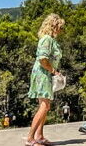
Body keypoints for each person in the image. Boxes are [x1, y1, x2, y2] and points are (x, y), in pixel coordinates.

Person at [27, 13, 65, 146]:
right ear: (54, 26)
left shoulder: (51, 40)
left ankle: (39, 136)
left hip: (46, 73)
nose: (61, 30)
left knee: (45, 106)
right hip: (43, 74)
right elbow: (43, 59)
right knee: (44, 106)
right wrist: (53, 71)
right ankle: (30, 138)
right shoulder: (47, 39)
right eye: (60, 27)